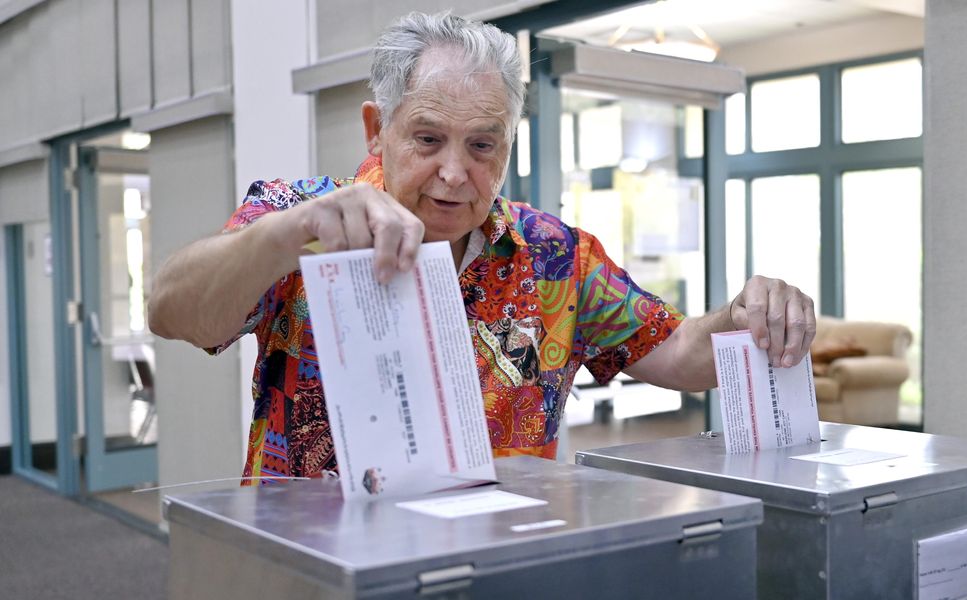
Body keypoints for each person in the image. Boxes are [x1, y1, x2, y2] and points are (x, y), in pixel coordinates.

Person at [148, 11, 815, 482]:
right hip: (317, 571)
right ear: (377, 130)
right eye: (429, 138)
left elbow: (674, 352)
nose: (454, 172)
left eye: (482, 145)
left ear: (508, 146)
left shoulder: (554, 256)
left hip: (494, 566)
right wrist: (285, 236)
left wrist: (744, 317)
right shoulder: (301, 219)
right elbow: (172, 311)